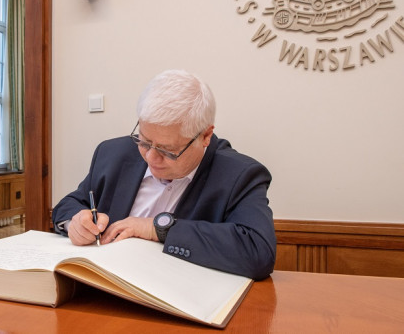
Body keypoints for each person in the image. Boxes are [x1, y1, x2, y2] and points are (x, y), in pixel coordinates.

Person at [52, 69, 276, 279]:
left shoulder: (239, 175)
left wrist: (156, 228)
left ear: (205, 136)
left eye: (168, 151)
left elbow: (258, 251)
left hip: (181, 302)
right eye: (144, 141)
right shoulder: (112, 154)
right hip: (103, 290)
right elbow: (71, 204)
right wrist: (75, 223)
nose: (150, 158)